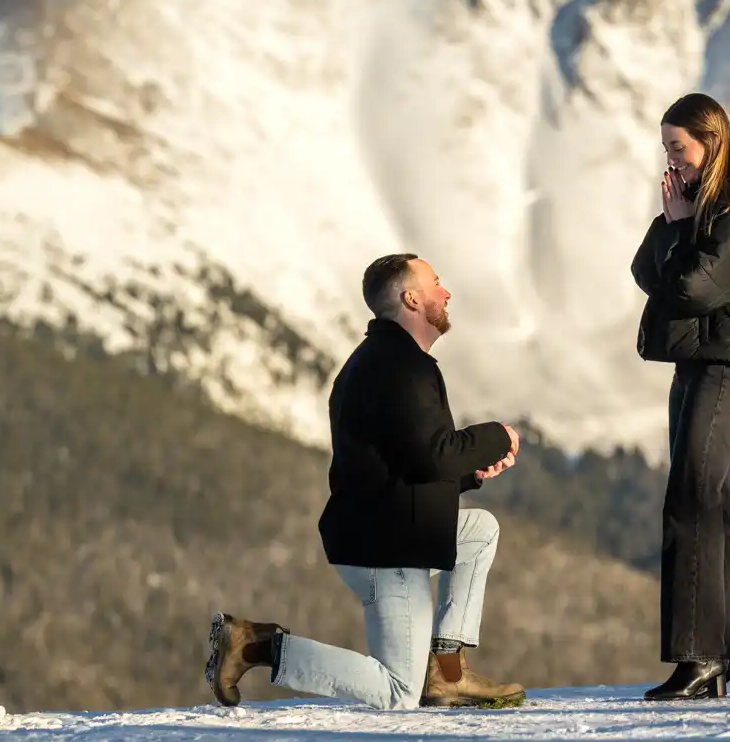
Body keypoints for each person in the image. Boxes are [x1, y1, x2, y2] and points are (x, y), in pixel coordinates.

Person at [205, 253, 527, 710]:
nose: (446, 292)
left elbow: (401, 466)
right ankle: (254, 646)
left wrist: (468, 473)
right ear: (411, 298)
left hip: (385, 531)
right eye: (436, 283)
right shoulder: (401, 367)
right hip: (387, 551)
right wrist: (496, 436)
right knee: (398, 692)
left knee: (478, 532)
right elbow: (432, 455)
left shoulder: (381, 361)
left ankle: (447, 671)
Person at [630, 92, 730, 701]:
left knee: (690, 499)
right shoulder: (698, 210)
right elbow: (646, 271)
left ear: (712, 142)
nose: (672, 161)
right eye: (667, 148)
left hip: (727, 367)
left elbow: (693, 288)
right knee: (713, 503)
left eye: (680, 148)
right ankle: (726, 655)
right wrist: (674, 226)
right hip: (698, 364)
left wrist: (677, 231)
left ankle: (698, 657)